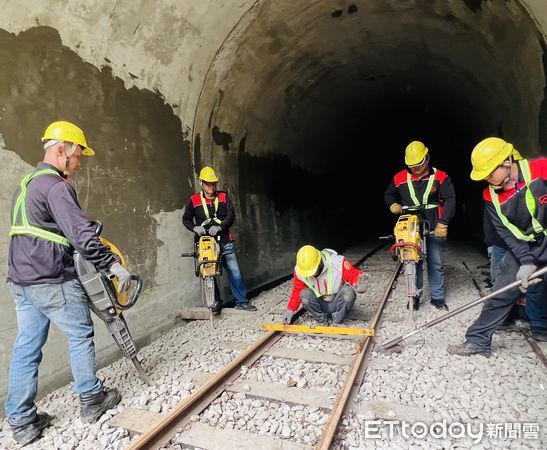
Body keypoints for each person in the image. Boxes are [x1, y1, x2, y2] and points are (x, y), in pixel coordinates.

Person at [5, 121, 130, 445]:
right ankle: (91, 399)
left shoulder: (26, 185)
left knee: (27, 346)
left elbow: (40, 230)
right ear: (63, 151)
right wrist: (113, 266)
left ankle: (21, 421)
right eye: (78, 158)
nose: (79, 164)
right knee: (80, 333)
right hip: (51, 279)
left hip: (21, 281)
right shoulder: (56, 186)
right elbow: (83, 237)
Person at [449, 137, 547, 357]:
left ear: (506, 161)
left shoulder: (540, 168)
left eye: (490, 173)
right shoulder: (489, 195)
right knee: (502, 289)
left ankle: (541, 326)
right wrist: (527, 261)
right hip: (526, 245)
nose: (487, 179)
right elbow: (506, 232)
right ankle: (478, 340)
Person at [384, 140, 456, 311]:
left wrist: (443, 223)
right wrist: (392, 204)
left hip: (433, 222)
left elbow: (450, 199)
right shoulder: (399, 178)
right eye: (412, 166)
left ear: (427, 157)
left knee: (435, 261)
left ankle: (437, 298)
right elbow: (389, 194)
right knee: (412, 261)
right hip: (411, 225)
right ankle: (414, 296)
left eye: (419, 164)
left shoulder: (441, 177)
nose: (415, 169)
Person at [182, 166, 256, 312]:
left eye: (213, 183)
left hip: (224, 242)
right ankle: (215, 303)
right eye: (208, 183)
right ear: (202, 183)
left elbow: (231, 215)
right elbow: (186, 219)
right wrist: (195, 228)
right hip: (205, 245)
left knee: (235, 272)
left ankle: (242, 301)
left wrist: (221, 226)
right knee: (208, 273)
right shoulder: (194, 200)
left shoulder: (223, 196)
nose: (211, 186)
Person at [282, 245, 368, 325]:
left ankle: (337, 319)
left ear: (319, 262)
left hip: (337, 302)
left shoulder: (337, 262)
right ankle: (322, 321)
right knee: (304, 294)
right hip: (320, 303)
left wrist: (357, 281)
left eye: (312, 271)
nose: (309, 275)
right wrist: (290, 310)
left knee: (348, 293)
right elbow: (297, 289)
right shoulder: (300, 270)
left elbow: (351, 273)